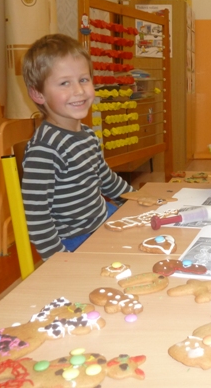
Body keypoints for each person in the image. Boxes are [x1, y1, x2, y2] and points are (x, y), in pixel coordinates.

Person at [21, 33, 134, 260]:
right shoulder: (44, 149)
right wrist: (60, 260)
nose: (79, 91)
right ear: (38, 94)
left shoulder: (87, 135)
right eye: (65, 83)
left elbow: (106, 179)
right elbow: (37, 217)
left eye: (83, 80)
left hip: (103, 218)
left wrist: (136, 200)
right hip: (76, 238)